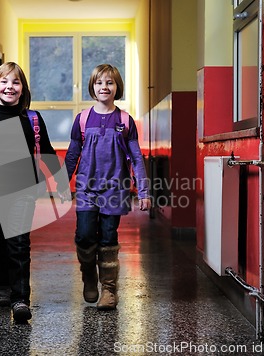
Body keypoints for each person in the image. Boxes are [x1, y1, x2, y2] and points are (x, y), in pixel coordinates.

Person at [0, 62, 70, 322]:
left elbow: (48, 152)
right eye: (4, 82)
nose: (10, 87)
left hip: (24, 189)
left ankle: (20, 300)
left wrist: (61, 184)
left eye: (15, 82)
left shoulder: (32, 119)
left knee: (18, 243)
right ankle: (3, 287)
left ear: (23, 89)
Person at [65, 64, 151, 310]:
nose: (104, 87)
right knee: (84, 235)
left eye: (110, 83)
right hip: (86, 188)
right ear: (92, 87)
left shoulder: (125, 120)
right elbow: (73, 154)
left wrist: (143, 191)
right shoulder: (82, 119)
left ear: (117, 88)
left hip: (115, 189)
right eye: (99, 82)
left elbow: (136, 158)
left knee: (108, 238)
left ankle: (109, 290)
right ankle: (89, 274)